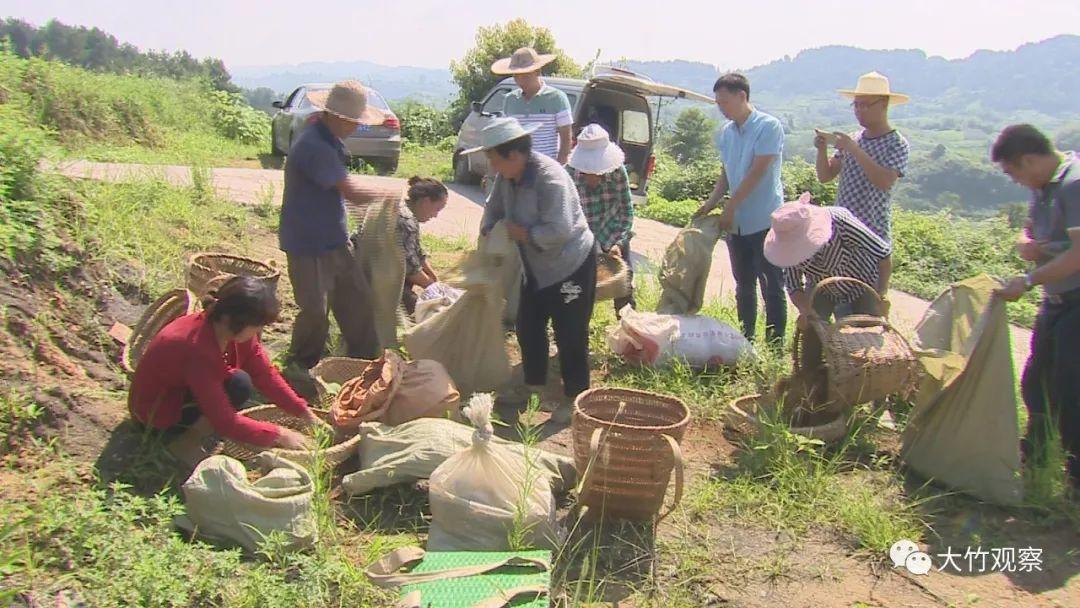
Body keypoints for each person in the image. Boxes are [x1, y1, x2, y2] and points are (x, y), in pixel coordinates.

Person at [465, 117, 597, 425]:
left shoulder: (549, 178)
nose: (493, 167)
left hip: (570, 266)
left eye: (494, 159)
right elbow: (494, 208)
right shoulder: (506, 176)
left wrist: (523, 234)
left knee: (570, 333)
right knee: (528, 326)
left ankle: (574, 398)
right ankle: (532, 385)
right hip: (534, 267)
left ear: (515, 155)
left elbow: (560, 229)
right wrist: (489, 229)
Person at [128, 276, 317, 452]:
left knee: (240, 382)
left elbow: (264, 374)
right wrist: (280, 434)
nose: (259, 331)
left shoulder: (229, 330)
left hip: (183, 389)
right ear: (232, 319)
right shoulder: (196, 349)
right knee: (236, 388)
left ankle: (198, 429)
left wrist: (303, 411)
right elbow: (226, 422)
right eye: (257, 325)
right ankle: (184, 443)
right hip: (156, 413)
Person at [991, 124, 1080, 493]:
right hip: (1056, 301)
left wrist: (1028, 281)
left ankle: (1075, 483)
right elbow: (1032, 232)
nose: (1016, 181)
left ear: (1029, 159)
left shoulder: (1073, 185)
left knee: (1069, 390)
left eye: (1014, 172)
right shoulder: (1044, 188)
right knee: (1036, 383)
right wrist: (1029, 244)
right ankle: (1036, 466)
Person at [279, 80, 384, 380]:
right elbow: (349, 191)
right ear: (336, 116)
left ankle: (364, 359)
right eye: (353, 122)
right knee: (314, 310)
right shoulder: (314, 145)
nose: (356, 128)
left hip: (334, 238)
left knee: (357, 301)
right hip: (307, 241)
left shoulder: (329, 139)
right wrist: (388, 199)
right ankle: (302, 365)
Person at [695, 73, 787, 344]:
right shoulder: (727, 133)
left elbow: (757, 172)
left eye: (724, 102)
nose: (721, 108)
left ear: (742, 96)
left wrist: (730, 207)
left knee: (771, 284)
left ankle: (775, 344)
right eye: (718, 103)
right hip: (737, 222)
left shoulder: (768, 127)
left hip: (764, 219)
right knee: (744, 284)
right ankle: (746, 339)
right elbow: (727, 172)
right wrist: (711, 203)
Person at [815, 71, 910, 296]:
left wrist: (854, 150)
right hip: (840, 235)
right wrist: (822, 149)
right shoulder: (853, 138)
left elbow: (885, 181)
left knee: (863, 304)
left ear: (884, 105)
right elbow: (826, 175)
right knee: (834, 296)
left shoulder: (896, 144)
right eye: (856, 105)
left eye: (866, 105)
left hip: (871, 234)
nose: (859, 111)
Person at [762, 199, 892, 326]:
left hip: (863, 281)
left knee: (867, 334)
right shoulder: (788, 249)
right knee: (812, 331)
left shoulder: (840, 222)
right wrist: (805, 309)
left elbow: (883, 253)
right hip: (821, 288)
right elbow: (793, 285)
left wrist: (882, 293)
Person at [566, 123, 635, 314]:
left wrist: (618, 243)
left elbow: (626, 212)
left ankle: (629, 327)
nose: (593, 177)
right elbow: (564, 217)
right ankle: (577, 327)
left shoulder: (618, 172)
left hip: (611, 229)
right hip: (581, 234)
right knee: (576, 288)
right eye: (588, 172)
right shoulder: (569, 174)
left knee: (624, 283)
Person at [493, 47, 574, 164]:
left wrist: (559, 168)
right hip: (517, 169)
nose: (520, 81)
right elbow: (506, 137)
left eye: (525, 75)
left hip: (546, 167)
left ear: (537, 72)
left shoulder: (557, 98)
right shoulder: (510, 100)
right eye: (516, 76)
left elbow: (566, 140)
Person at [397, 177, 449, 315]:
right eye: (437, 209)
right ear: (425, 202)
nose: (436, 215)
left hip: (380, 270)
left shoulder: (407, 213)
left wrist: (435, 279)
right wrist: (434, 289)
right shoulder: (405, 220)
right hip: (371, 275)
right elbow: (410, 269)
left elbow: (418, 253)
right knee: (425, 312)